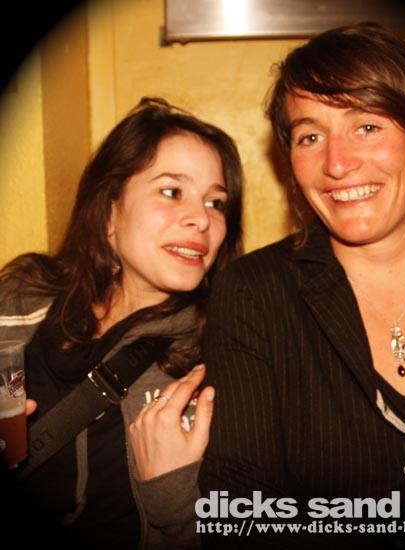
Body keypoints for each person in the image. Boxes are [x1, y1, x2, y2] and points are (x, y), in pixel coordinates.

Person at [199, 23, 405, 549]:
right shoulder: (254, 293)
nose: (336, 163)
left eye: (367, 126)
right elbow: (240, 513)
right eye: (310, 136)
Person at [0, 97, 243, 548]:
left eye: (216, 202)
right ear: (110, 212)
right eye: (172, 192)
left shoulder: (222, 350)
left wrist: (174, 497)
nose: (201, 219)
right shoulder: (21, 302)